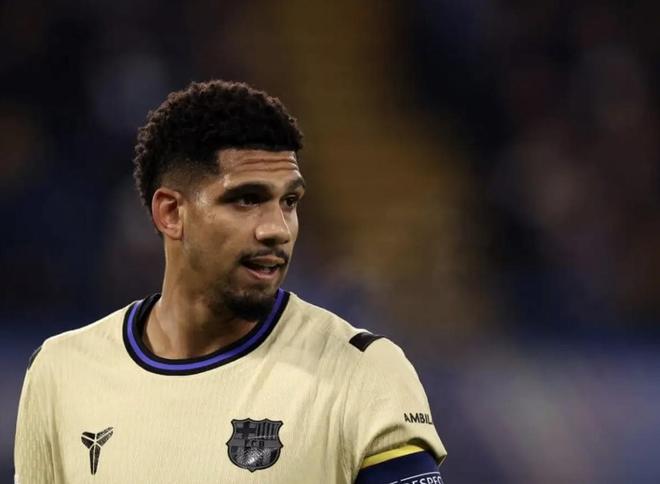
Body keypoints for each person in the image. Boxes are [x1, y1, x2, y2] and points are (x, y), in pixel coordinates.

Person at [14, 80, 447, 483]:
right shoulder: (60, 373)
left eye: (289, 201)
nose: (277, 229)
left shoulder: (363, 373)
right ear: (171, 213)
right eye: (246, 199)